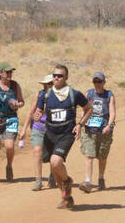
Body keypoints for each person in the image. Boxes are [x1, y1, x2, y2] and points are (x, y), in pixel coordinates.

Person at [35, 64, 89, 210]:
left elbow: (88, 109)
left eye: (59, 76)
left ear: (66, 77)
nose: (56, 78)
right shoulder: (45, 95)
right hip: (50, 133)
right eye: (54, 76)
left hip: (66, 133)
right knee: (54, 167)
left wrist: (80, 124)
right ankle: (66, 196)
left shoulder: (74, 94)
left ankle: (67, 181)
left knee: (56, 161)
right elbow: (39, 110)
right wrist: (38, 115)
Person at [0, 62, 25, 182]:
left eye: (11, 72)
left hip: (11, 118)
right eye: (7, 72)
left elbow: (22, 101)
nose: (10, 74)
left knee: (9, 146)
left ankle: (9, 166)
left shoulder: (15, 85)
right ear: (1, 73)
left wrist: (18, 104)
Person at [79, 71, 116, 192]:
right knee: (89, 156)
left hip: (104, 130)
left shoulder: (109, 95)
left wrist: (109, 126)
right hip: (90, 130)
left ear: (104, 82)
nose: (97, 84)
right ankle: (88, 181)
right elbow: (83, 110)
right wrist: (81, 123)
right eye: (95, 81)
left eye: (99, 81)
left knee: (102, 157)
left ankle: (101, 178)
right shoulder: (89, 94)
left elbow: (112, 113)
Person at [21, 72, 54, 190]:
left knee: (52, 153)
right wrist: (24, 129)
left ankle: (52, 175)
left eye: (51, 83)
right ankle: (38, 180)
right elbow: (31, 111)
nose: (49, 85)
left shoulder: (60, 95)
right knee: (37, 151)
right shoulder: (39, 95)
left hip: (53, 128)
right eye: (47, 84)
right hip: (38, 126)